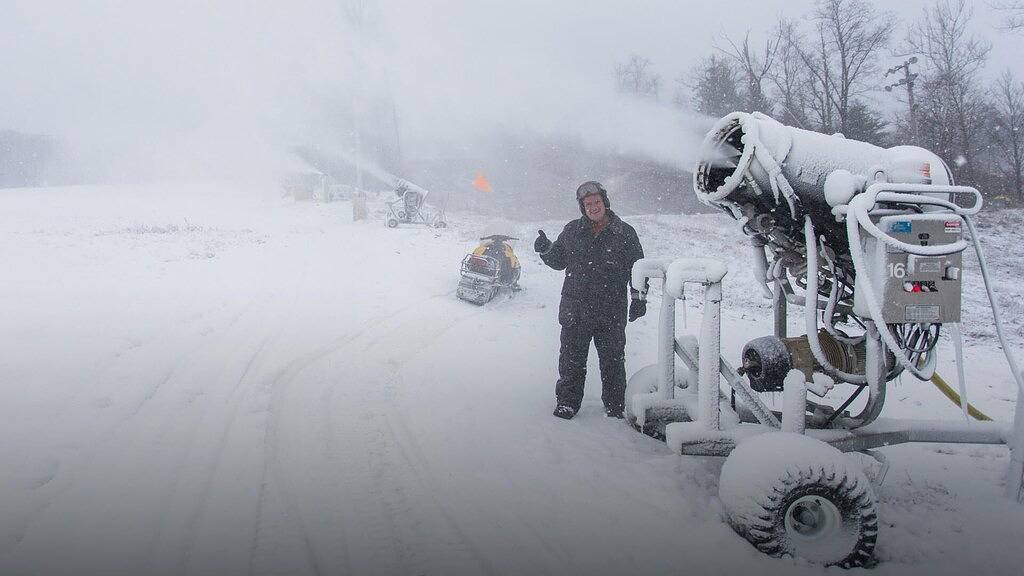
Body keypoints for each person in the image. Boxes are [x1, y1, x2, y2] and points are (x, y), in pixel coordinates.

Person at [535, 181, 646, 420]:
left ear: (605, 202)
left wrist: (639, 298)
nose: (593, 207)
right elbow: (559, 260)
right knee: (571, 360)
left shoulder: (624, 233)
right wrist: (546, 249)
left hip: (610, 311)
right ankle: (567, 403)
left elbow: (638, 269)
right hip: (575, 309)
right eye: (588, 204)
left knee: (613, 361)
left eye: (596, 202)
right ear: (582, 208)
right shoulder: (572, 231)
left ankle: (615, 406)